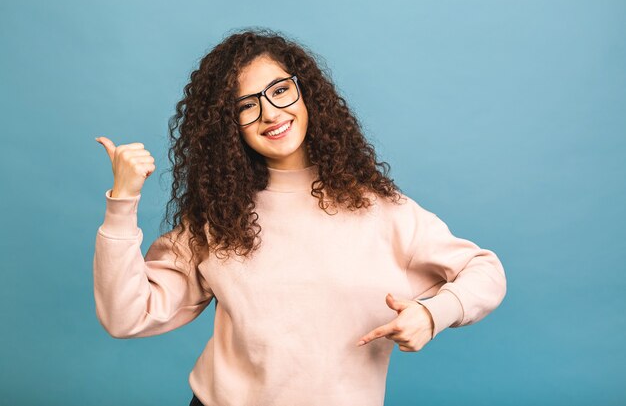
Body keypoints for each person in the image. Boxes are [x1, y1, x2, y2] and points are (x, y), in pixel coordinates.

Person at [93, 28, 507, 406]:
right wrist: (122, 201)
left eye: (280, 91)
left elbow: (484, 270)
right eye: (246, 106)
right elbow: (125, 315)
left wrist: (434, 314)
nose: (270, 113)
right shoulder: (220, 219)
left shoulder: (380, 209)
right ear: (228, 127)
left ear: (306, 92)